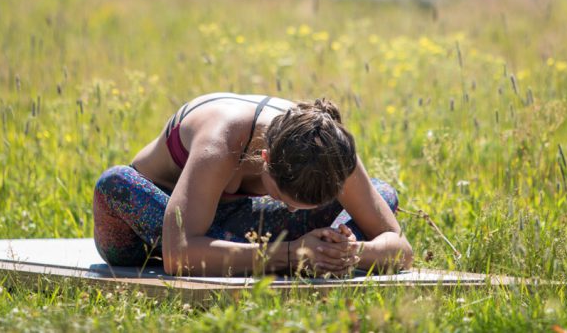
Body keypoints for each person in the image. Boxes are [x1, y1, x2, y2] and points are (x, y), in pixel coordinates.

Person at [93, 92, 413, 276]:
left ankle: (288, 257)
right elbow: (177, 254)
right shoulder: (220, 140)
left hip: (238, 227)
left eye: (300, 207)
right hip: (154, 225)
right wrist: (290, 254)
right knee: (114, 184)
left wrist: (351, 252)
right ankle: (280, 259)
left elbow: (401, 248)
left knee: (382, 192)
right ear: (265, 157)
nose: (289, 209)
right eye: (281, 196)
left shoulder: (330, 150)